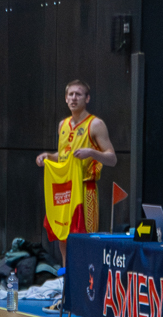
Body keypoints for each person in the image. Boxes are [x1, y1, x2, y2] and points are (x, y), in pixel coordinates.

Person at [35, 79, 117, 267]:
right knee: (63, 238)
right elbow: (64, 155)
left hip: (85, 189)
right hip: (65, 189)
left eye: (78, 94)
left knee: (84, 238)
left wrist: (92, 152)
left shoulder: (95, 124)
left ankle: (85, 281)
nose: (73, 98)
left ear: (87, 98)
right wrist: (48, 156)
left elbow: (112, 158)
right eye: (70, 94)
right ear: (65, 98)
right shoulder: (62, 124)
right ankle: (67, 280)